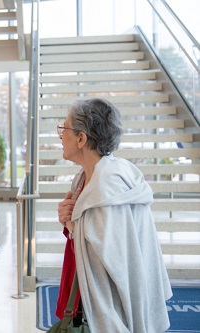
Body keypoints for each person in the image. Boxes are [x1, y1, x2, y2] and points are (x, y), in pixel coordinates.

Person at [55, 98, 172, 332]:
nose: (60, 135)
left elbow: (116, 260)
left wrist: (72, 222)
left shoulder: (107, 184)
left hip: (107, 311)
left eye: (64, 128)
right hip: (82, 296)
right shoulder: (85, 178)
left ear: (81, 138)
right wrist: (69, 222)